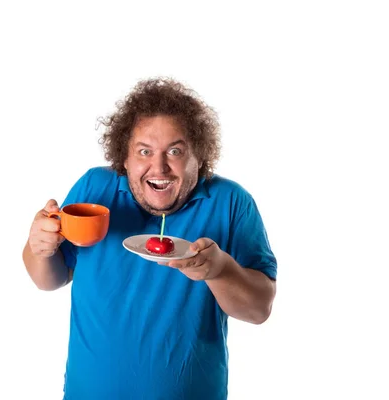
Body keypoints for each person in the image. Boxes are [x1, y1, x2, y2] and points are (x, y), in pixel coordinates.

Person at [22, 78, 277, 399]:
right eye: (144, 151)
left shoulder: (230, 203)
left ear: (199, 156)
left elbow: (259, 309)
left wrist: (220, 270)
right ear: (124, 157)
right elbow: (49, 279)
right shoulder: (93, 190)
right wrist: (40, 248)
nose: (159, 167)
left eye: (175, 151)